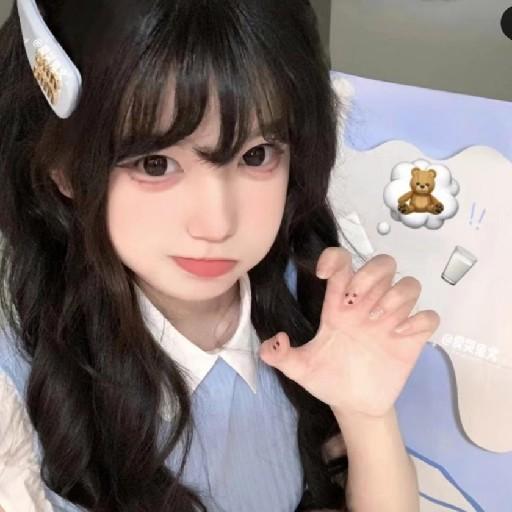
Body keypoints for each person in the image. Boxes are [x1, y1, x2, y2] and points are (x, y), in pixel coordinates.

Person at [0, 1, 440, 511]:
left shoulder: (308, 293)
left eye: (256, 155)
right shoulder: (19, 377)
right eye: (155, 163)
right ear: (63, 164)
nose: (217, 225)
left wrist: (366, 417)